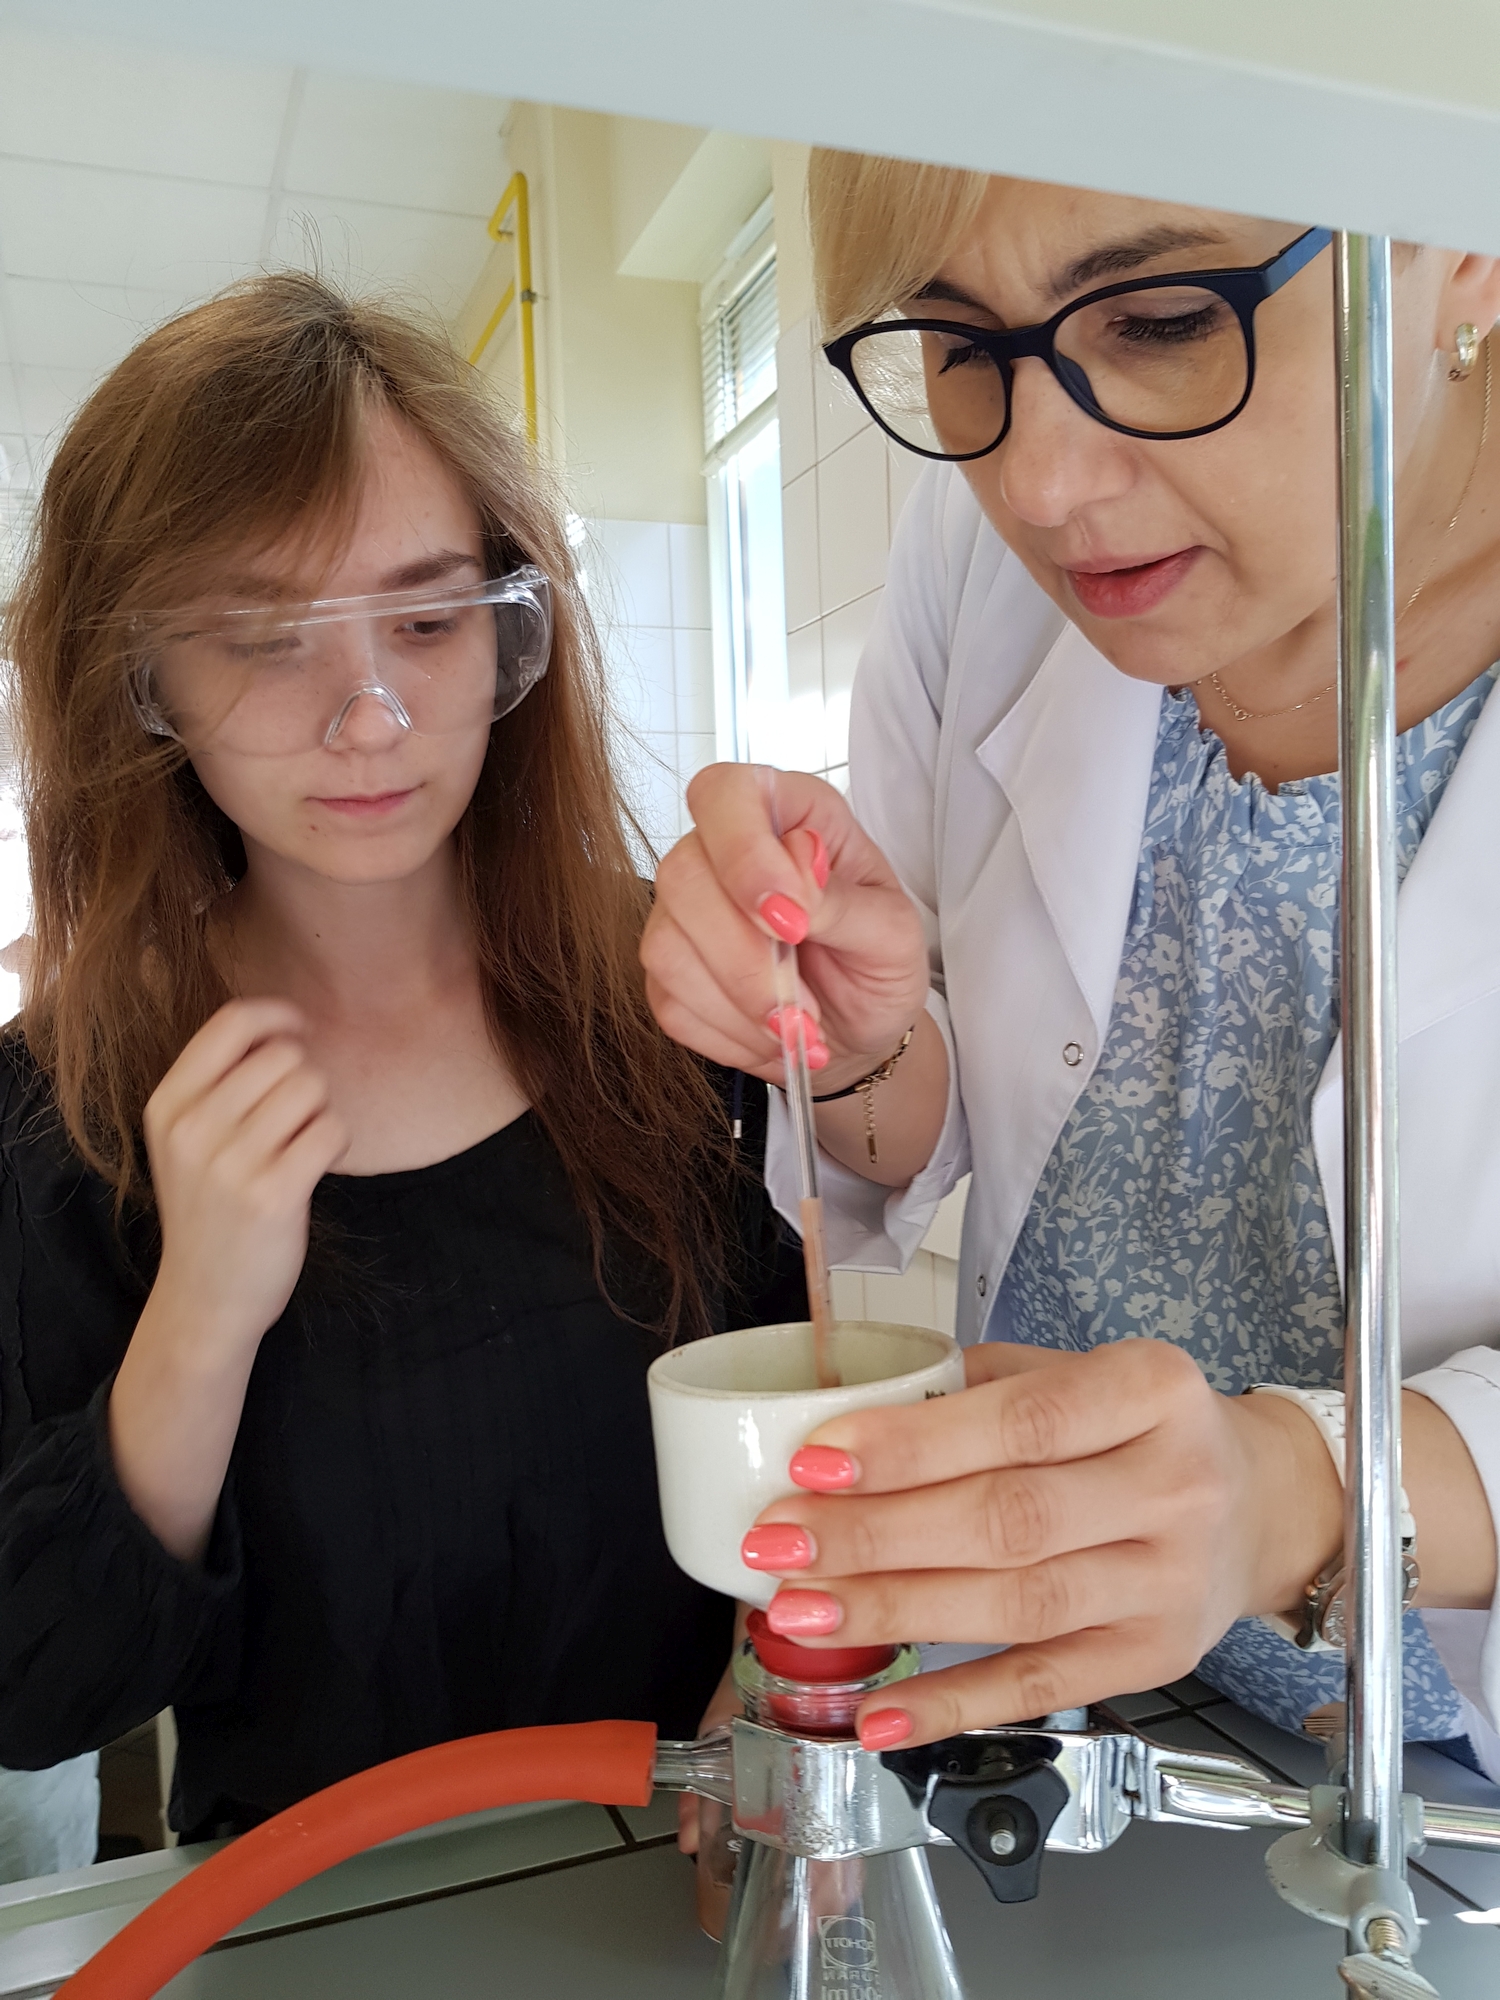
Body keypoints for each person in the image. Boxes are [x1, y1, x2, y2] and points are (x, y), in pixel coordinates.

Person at [642, 156, 1500, 1777]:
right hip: (1045, 1701)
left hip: (1444, 1778)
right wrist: (858, 1042)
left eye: (1166, 320)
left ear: (1463, 236)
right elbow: (964, 1097)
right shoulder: (979, 568)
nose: (1037, 482)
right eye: (962, 345)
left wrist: (1295, 1492)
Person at [0, 274, 801, 1842]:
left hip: (695, 1880)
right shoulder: (63, 1114)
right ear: (140, 683)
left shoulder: (674, 994)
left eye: (428, 622)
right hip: (306, 1917)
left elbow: (819, 1418)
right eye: (263, 641)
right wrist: (200, 1320)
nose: (368, 718)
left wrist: (779, 1680)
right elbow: (38, 1692)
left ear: (511, 628)